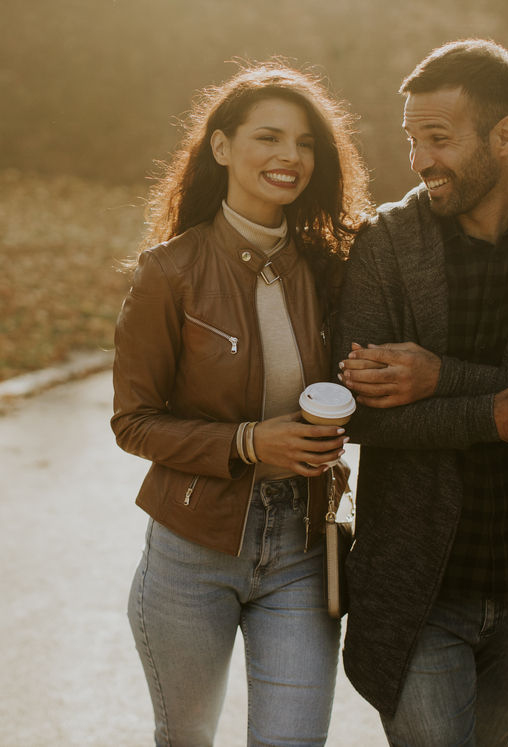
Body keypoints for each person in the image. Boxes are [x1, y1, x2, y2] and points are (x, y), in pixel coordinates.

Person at [334, 39, 508, 746]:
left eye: (437, 138)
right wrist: (493, 413)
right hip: (413, 591)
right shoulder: (385, 243)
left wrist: (442, 379)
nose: (420, 160)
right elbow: (362, 415)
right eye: (411, 140)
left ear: (505, 134)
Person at [111, 60, 371, 745]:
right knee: (186, 737)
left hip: (302, 547)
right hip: (191, 550)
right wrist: (250, 442)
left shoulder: (331, 267)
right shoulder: (168, 272)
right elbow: (132, 421)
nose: (290, 156)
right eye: (269, 137)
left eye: (306, 142)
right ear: (221, 147)